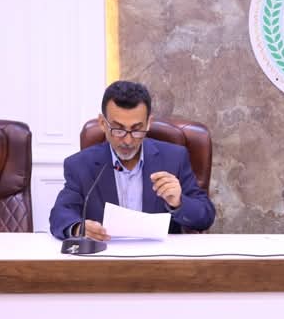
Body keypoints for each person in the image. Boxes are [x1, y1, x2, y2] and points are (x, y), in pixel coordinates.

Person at [49, 80, 215, 239]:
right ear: (102, 123)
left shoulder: (174, 158)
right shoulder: (80, 165)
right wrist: (78, 228)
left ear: (148, 123)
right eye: (118, 130)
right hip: (107, 254)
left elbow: (205, 216)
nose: (127, 141)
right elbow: (60, 214)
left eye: (136, 130)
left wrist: (178, 202)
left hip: (159, 255)